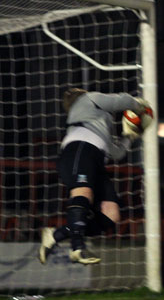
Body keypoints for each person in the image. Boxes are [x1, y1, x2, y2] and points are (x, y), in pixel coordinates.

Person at [38, 88, 152, 265]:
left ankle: (57, 234)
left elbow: (116, 153)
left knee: (111, 214)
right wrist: (139, 106)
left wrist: (130, 135)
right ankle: (78, 247)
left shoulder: (96, 122)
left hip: (94, 157)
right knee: (83, 194)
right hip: (79, 150)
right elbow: (120, 101)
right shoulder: (89, 99)